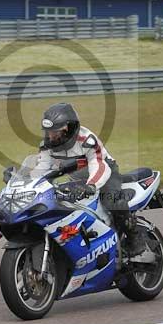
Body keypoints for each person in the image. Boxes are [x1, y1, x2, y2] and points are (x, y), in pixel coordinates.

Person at [35, 102, 142, 256]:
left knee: (111, 200)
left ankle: (134, 236)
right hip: (77, 179)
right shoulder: (47, 145)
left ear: (68, 128)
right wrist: (26, 182)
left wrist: (91, 185)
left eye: (55, 132)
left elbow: (97, 164)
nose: (51, 136)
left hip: (105, 173)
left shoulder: (87, 140)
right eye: (48, 131)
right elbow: (42, 168)